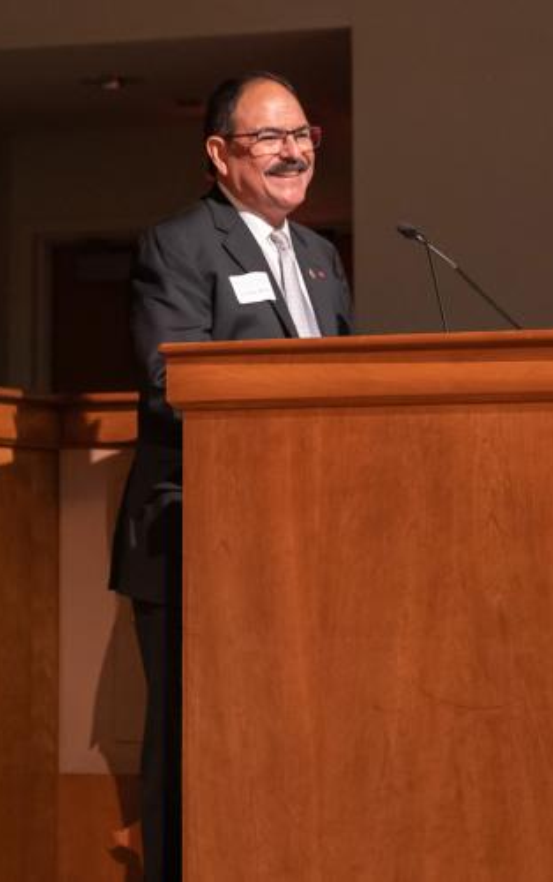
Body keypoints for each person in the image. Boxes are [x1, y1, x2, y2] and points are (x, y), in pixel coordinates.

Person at [110, 71, 354, 881]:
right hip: (195, 533)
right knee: (188, 741)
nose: (292, 155)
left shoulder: (319, 255)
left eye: (302, 137)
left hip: (306, 538)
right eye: (269, 139)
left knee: (292, 733)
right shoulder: (178, 244)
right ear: (219, 153)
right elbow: (167, 385)